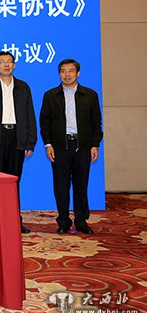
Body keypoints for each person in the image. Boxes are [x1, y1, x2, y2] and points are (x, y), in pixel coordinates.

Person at [39, 59, 103, 235]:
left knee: (81, 185)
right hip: (60, 147)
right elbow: (45, 122)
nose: (67, 75)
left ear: (78, 73)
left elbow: (96, 122)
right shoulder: (50, 95)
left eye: (71, 71)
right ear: (59, 74)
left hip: (83, 146)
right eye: (63, 71)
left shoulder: (90, 95)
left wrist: (95, 145)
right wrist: (48, 144)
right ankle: (63, 221)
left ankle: (81, 221)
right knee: (61, 186)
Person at [0, 51, 37, 234]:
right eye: (2, 62)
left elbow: (30, 115)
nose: (6, 64)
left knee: (14, 181)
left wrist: (30, 142)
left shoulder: (23, 87)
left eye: (9, 61)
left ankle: (14, 221)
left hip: (17, 137)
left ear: (14, 65)